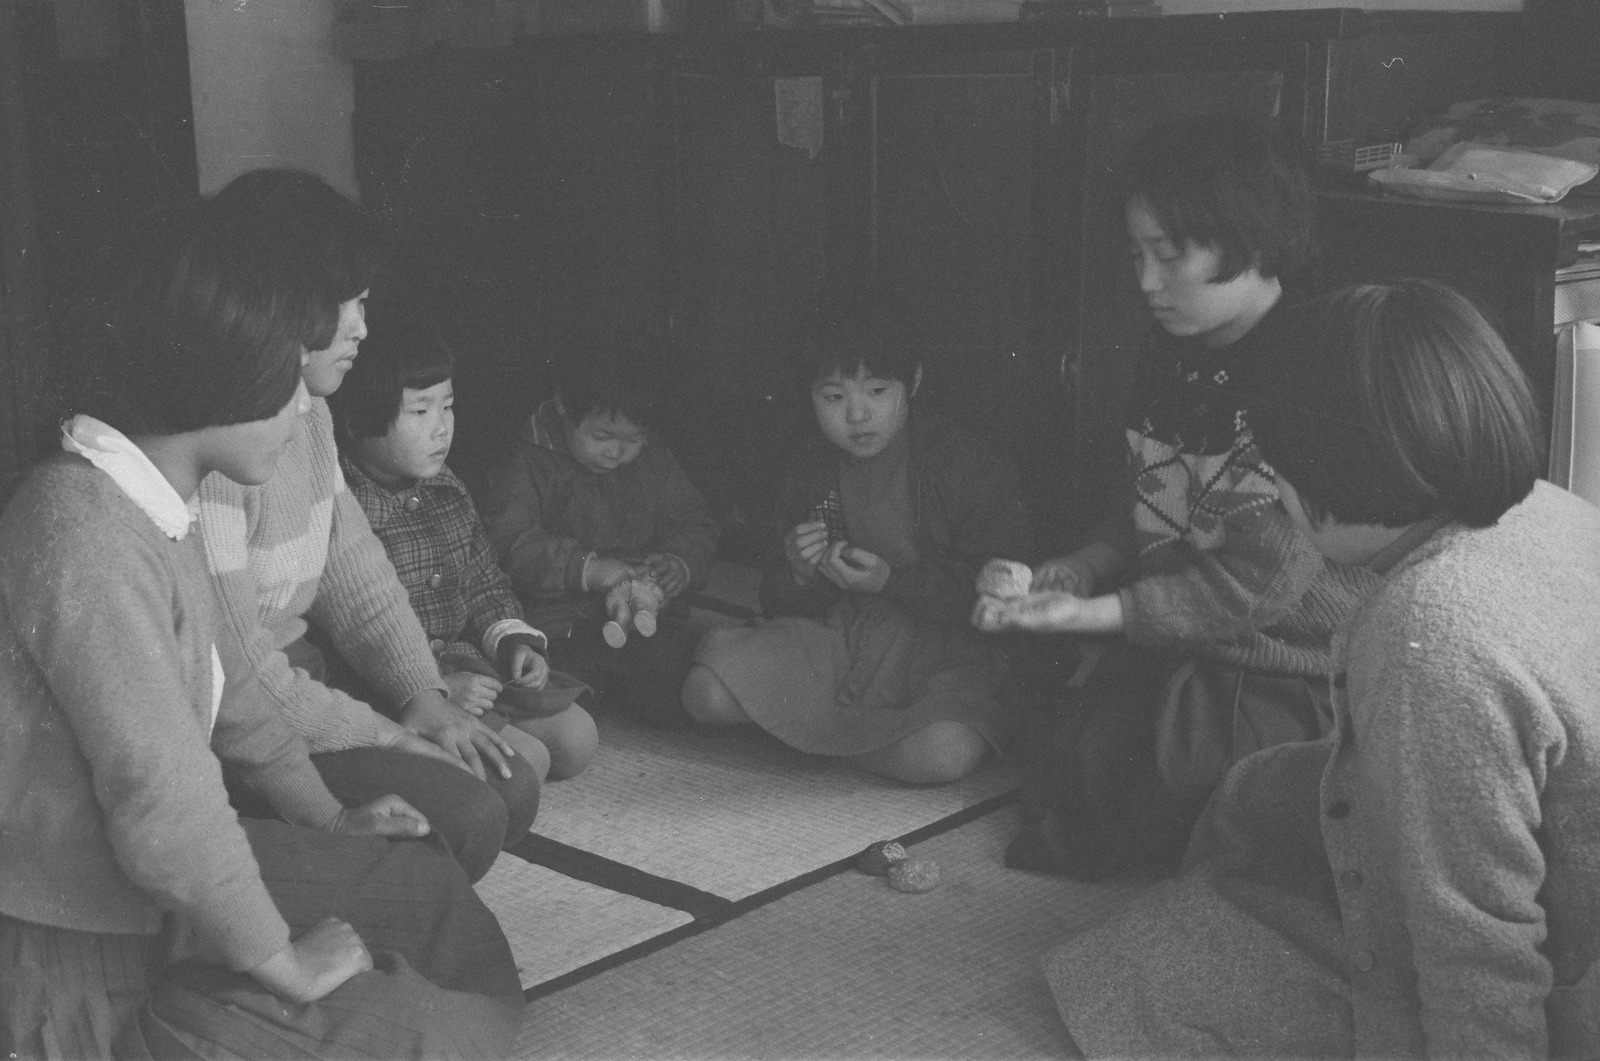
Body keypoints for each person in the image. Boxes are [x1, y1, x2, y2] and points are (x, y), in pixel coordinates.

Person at [0, 204, 523, 1060]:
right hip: (80, 952)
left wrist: (328, 817)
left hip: (150, 900)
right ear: (226, 376)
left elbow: (238, 696)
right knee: (438, 1034)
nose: (306, 409)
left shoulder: (150, 502)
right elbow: (166, 796)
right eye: (290, 382)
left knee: (428, 898)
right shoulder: (83, 531)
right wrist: (285, 964)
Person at [1044, 277, 1600, 1058]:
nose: (1270, 491)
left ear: (1335, 468)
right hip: (1535, 859)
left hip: (1563, 961)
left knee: (1145, 969)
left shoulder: (1430, 634)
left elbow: (1479, 945)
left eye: (1276, 471)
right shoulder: (1546, 506)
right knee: (1251, 814)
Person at [975, 111, 1375, 876]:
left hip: (1285, 659)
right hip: (1191, 632)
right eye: (1137, 255)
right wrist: (1091, 562)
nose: (1147, 282)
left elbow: (1262, 582)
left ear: (1249, 235)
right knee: (1068, 765)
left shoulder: (1309, 366)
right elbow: (1150, 485)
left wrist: (1098, 614)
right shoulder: (1175, 345)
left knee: (1168, 803)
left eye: (1170, 254)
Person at [194, 169, 541, 884]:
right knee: (468, 815)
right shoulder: (222, 447)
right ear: (279, 303)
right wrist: (390, 734)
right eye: (347, 303)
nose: (361, 327)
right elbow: (242, 681)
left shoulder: (312, 414)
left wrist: (424, 697)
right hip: (241, 723)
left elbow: (360, 577)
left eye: (364, 302)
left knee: (507, 788)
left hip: (300, 685)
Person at [682, 292, 1034, 783]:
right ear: (810, 396)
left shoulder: (964, 463)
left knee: (943, 753)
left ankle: (812, 736)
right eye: (834, 397)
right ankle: (857, 739)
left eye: (877, 391)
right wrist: (799, 572)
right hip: (844, 637)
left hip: (946, 650)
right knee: (705, 693)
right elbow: (778, 601)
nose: (857, 415)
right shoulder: (811, 464)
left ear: (913, 382)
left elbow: (1000, 589)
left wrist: (892, 582)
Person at [329, 312, 599, 780]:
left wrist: (513, 640)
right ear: (358, 419)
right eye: (420, 412)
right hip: (398, 685)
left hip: (473, 667)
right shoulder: (343, 506)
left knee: (578, 739)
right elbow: (350, 635)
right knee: (527, 764)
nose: (442, 428)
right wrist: (431, 686)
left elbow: (484, 581)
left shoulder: (446, 489)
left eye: (448, 407)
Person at [478, 340, 720, 727]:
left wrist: (680, 563)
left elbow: (692, 520)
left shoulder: (654, 460)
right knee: (556, 684)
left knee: (677, 681)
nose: (616, 453)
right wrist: (586, 569)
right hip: (556, 619)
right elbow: (507, 541)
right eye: (603, 437)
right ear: (563, 407)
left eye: (634, 440)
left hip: (640, 612)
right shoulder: (526, 458)